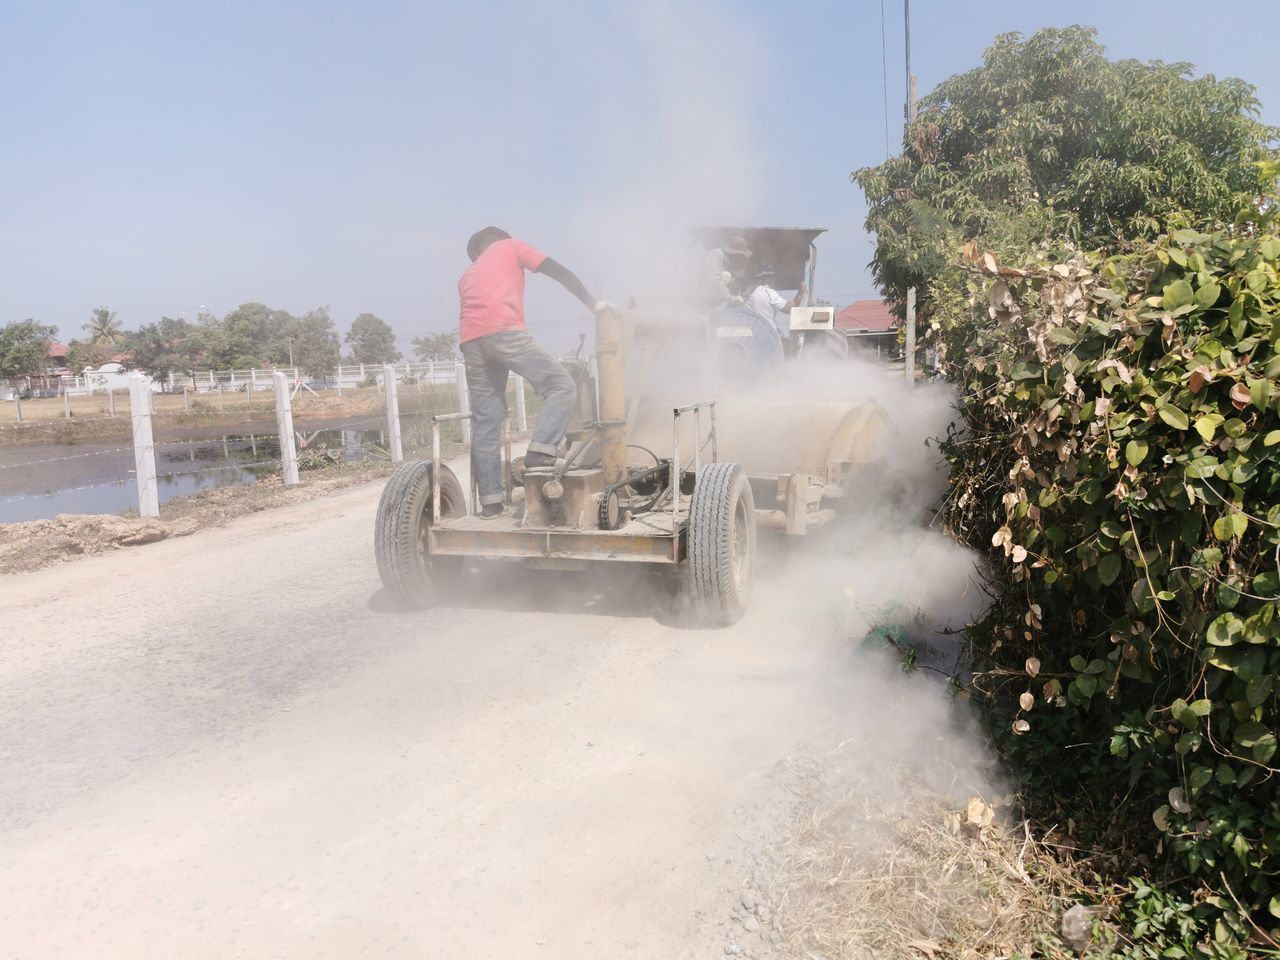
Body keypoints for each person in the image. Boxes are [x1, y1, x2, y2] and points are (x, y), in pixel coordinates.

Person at [457, 226, 612, 518]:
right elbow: (560, 273)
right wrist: (595, 304)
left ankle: (490, 503)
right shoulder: (511, 246)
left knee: (486, 420)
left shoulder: (467, 275)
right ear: (500, 241)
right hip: (504, 332)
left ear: (476, 252)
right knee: (561, 386)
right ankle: (541, 452)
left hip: (470, 343)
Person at [744, 263, 805, 342]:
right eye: (772, 276)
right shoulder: (768, 292)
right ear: (766, 278)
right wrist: (800, 292)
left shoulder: (749, 293)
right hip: (767, 334)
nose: (774, 279)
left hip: (750, 335)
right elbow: (788, 308)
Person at [703, 234, 753, 307]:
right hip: (705, 298)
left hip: (718, 301)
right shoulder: (714, 255)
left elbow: (735, 281)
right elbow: (713, 278)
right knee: (726, 275)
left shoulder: (730, 260)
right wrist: (729, 298)